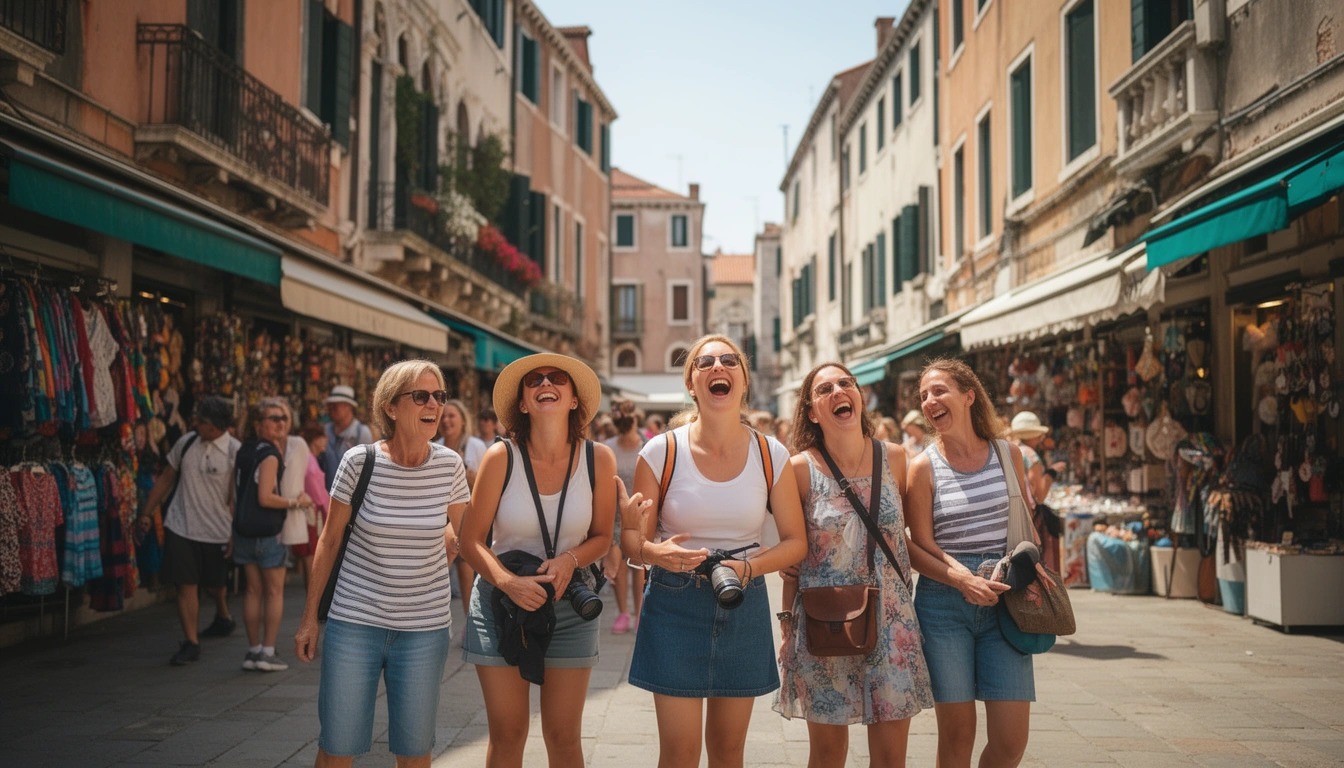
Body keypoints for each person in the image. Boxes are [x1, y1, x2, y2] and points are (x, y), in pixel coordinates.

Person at [618, 334, 807, 768]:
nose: (717, 367)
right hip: (673, 600)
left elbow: (796, 542)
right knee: (680, 754)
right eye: (705, 363)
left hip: (744, 599)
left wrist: (749, 566)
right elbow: (633, 542)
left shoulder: (770, 452)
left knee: (727, 751)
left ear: (743, 381)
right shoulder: (661, 450)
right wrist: (652, 550)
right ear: (692, 383)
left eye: (728, 361)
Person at [294, 360, 470, 767]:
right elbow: (330, 539)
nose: (434, 405)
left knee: (414, 752)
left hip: (424, 631)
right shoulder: (359, 461)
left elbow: (467, 536)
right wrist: (308, 619)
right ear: (391, 407)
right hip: (355, 623)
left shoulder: (450, 465)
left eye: (439, 396)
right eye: (421, 396)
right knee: (337, 748)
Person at [459, 353, 617, 768]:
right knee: (508, 734)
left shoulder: (598, 459)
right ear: (524, 404)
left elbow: (602, 537)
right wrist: (509, 583)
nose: (545, 382)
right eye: (534, 381)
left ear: (572, 400)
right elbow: (470, 542)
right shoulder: (501, 457)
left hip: (571, 605)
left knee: (564, 738)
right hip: (502, 603)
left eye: (558, 378)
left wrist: (569, 559)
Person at [775, 363, 933, 766]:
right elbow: (793, 557)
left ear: (859, 396)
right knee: (827, 755)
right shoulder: (798, 470)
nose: (838, 391)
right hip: (824, 622)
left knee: (890, 757)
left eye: (846, 384)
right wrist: (785, 624)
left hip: (891, 624)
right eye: (824, 388)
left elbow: (910, 542)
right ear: (812, 411)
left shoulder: (897, 459)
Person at [905, 358, 1044, 768]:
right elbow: (918, 546)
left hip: (1006, 600)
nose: (930, 401)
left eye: (939, 391)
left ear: (969, 396)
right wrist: (960, 577)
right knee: (958, 734)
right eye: (924, 395)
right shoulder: (922, 467)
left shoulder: (1009, 453)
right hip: (944, 605)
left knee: (1010, 740)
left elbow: (1024, 524)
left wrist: (1030, 563)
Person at [138, 396, 240, 666]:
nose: (195, 423)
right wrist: (147, 512)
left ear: (216, 426)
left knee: (214, 586)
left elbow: (236, 497)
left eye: (202, 421)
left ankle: (222, 615)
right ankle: (191, 642)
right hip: (181, 525)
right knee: (186, 585)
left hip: (217, 530)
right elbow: (167, 479)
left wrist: (234, 534)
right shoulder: (186, 443)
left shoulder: (234, 451)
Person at [233, 397, 309, 673]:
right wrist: (295, 503)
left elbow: (232, 495)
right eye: (273, 419)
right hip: (267, 532)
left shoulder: (244, 450)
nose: (280, 423)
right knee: (274, 592)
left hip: (243, 532)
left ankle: (252, 651)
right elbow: (266, 497)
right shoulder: (269, 455)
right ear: (257, 424)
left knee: (252, 591)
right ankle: (267, 650)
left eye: (283, 418)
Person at [436, 398, 488, 624]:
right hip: (438, 517)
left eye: (452, 416)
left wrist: (469, 477)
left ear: (462, 420)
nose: (446, 420)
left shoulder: (474, 445)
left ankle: (470, 623)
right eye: (443, 416)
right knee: (438, 572)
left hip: (466, 514)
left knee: (466, 572)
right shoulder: (434, 445)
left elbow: (487, 484)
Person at [602, 399, 646, 634]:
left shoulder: (647, 446)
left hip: (640, 515)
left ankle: (639, 614)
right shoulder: (608, 447)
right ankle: (623, 614)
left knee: (638, 567)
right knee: (618, 567)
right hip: (614, 516)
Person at [1008, 411, 1065, 572]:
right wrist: (1051, 473)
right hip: (1030, 515)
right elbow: (1039, 494)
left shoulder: (1011, 450)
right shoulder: (1031, 455)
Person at [290, 422, 331, 588]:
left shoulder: (310, 458)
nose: (325, 441)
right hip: (313, 512)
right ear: (315, 439)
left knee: (312, 556)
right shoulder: (309, 459)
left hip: (315, 511)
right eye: (322, 437)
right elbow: (318, 495)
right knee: (312, 557)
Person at [322, 385, 374, 490]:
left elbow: (367, 470)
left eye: (336, 406)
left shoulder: (361, 433)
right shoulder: (326, 430)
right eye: (330, 406)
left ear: (348, 406)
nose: (331, 410)